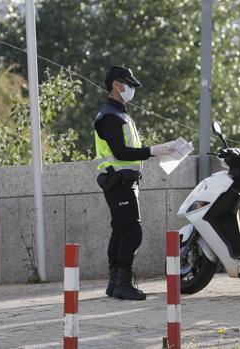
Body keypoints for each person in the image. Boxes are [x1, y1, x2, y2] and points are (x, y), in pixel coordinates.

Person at [94, 65, 177, 300]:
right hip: (118, 181)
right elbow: (120, 152)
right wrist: (153, 151)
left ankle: (114, 283)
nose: (131, 89)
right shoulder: (109, 116)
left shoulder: (119, 113)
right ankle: (122, 284)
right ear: (116, 85)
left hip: (123, 181)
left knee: (120, 231)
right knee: (132, 232)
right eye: (128, 84)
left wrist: (157, 150)